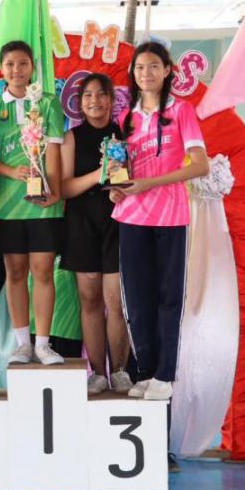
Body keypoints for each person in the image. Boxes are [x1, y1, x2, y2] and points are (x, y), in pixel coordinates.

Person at [109, 42, 209, 401]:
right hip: (132, 215)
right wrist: (116, 188)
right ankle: (146, 371)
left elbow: (200, 165)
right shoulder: (126, 118)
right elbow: (122, 169)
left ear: (167, 71)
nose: (146, 73)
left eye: (153, 66)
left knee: (169, 298)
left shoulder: (182, 111)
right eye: (139, 68)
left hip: (170, 216)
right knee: (137, 300)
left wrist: (151, 183)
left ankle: (165, 375)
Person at [0, 40, 65, 366]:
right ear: (2, 69)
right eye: (10, 64)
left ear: (32, 68)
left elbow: (54, 151)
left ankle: (43, 344)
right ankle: (23, 344)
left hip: (43, 205)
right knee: (14, 273)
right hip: (9, 206)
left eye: (23, 63)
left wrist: (54, 191)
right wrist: (11, 171)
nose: (17, 70)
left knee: (43, 271)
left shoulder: (48, 103)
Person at [60, 72, 132, 395]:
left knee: (115, 301)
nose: (94, 101)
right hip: (81, 224)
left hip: (119, 222)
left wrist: (122, 191)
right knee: (89, 300)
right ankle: (98, 373)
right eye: (88, 95)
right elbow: (64, 188)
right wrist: (99, 175)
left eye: (101, 94)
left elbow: (135, 178)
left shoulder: (125, 135)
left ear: (111, 100)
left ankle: (120, 371)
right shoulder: (71, 137)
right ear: (80, 103)